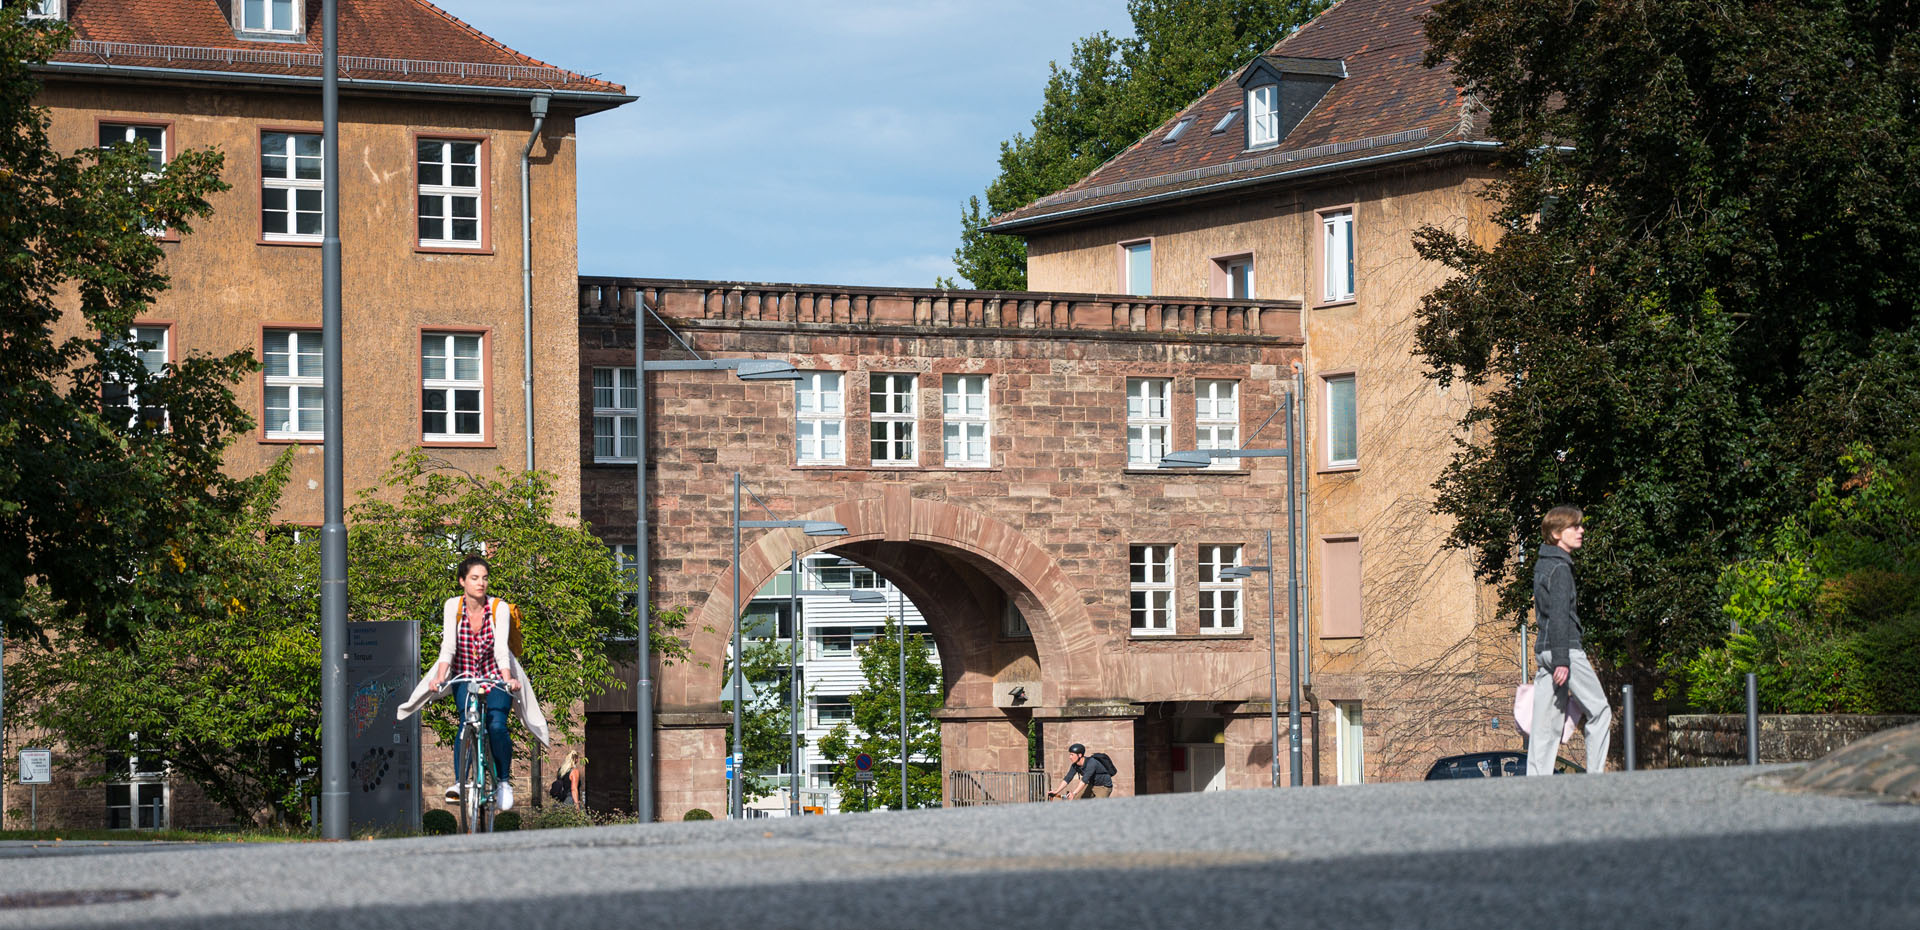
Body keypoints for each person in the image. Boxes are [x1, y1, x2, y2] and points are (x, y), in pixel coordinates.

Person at [1527, 505, 1613, 776]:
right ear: (1556, 533)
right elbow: (1560, 615)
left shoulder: (1543, 565)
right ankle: (1595, 778)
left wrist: (1554, 657)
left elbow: (1545, 616)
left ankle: (1536, 786)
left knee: (1545, 726)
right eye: (1574, 527)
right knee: (1600, 712)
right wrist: (1564, 659)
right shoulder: (1561, 569)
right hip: (1565, 651)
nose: (1581, 531)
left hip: (1545, 652)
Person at [1048, 743, 1113, 800]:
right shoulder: (1075, 765)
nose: (1069, 757)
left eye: (1072, 755)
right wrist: (1056, 791)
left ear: (1079, 755)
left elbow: (1084, 781)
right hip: (1091, 784)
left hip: (1103, 787)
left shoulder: (1091, 763)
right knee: (1076, 800)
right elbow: (1068, 778)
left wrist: (1073, 793)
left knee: (1099, 807)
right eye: (1070, 755)